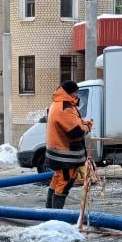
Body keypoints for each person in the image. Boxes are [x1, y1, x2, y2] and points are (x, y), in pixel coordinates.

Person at [45, 80, 93, 209]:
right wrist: (87, 126)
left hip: (57, 153)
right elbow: (76, 132)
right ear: (70, 93)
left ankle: (49, 213)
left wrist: (82, 122)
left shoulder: (58, 104)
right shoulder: (65, 108)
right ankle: (55, 217)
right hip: (65, 156)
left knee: (57, 181)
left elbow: (72, 122)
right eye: (76, 92)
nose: (77, 95)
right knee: (64, 183)